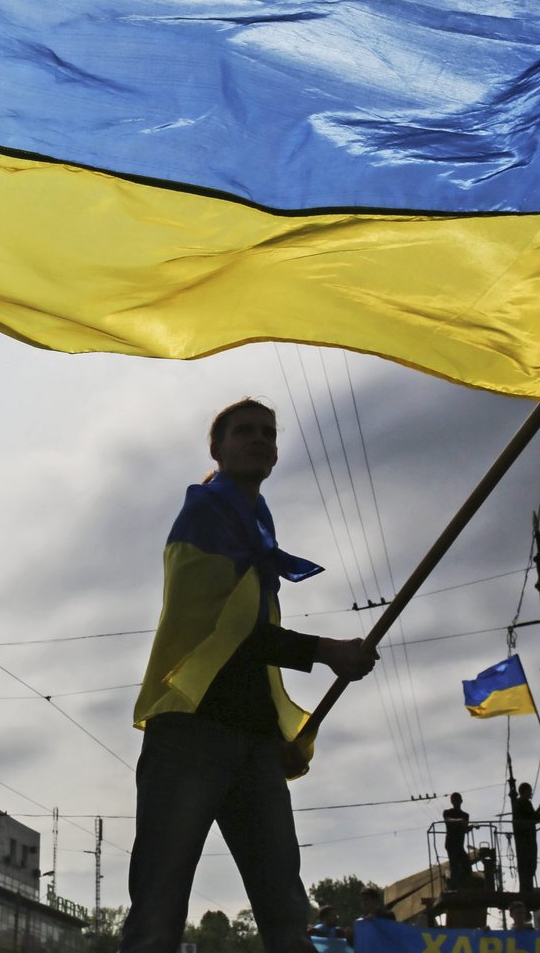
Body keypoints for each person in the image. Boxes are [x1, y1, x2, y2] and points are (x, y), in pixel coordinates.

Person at [117, 398, 377, 953]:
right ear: (217, 448)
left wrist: (277, 724)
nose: (259, 439)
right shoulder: (205, 517)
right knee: (160, 906)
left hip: (253, 739)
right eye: (244, 432)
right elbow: (220, 634)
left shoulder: (254, 526)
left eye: (268, 433)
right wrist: (326, 650)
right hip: (190, 729)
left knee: (284, 906)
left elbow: (245, 637)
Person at [513, 782, 540, 893]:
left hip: (524, 838)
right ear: (526, 791)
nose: (531, 792)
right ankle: (527, 889)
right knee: (530, 864)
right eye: (529, 790)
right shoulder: (525, 802)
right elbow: (533, 818)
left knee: (525, 865)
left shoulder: (519, 803)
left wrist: (538, 811)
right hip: (528, 838)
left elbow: (530, 816)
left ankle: (526, 888)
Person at [443, 792, 472, 888]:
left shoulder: (465, 815)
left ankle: (465, 884)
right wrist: (458, 821)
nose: (456, 802)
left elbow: (464, 830)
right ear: (452, 801)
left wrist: (469, 828)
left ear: (461, 801)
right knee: (454, 865)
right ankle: (453, 885)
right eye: (454, 800)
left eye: (457, 800)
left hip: (459, 845)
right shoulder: (447, 812)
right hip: (451, 843)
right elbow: (448, 820)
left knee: (466, 864)